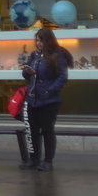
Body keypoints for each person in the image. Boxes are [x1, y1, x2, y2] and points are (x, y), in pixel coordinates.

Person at [19, 26, 72, 171]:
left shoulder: (57, 55)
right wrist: (27, 71)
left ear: (48, 41)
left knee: (47, 130)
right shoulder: (34, 55)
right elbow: (26, 76)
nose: (38, 44)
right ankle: (34, 159)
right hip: (33, 99)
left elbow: (62, 77)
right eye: (37, 41)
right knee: (33, 130)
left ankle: (48, 161)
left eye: (41, 41)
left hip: (49, 101)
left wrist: (49, 90)